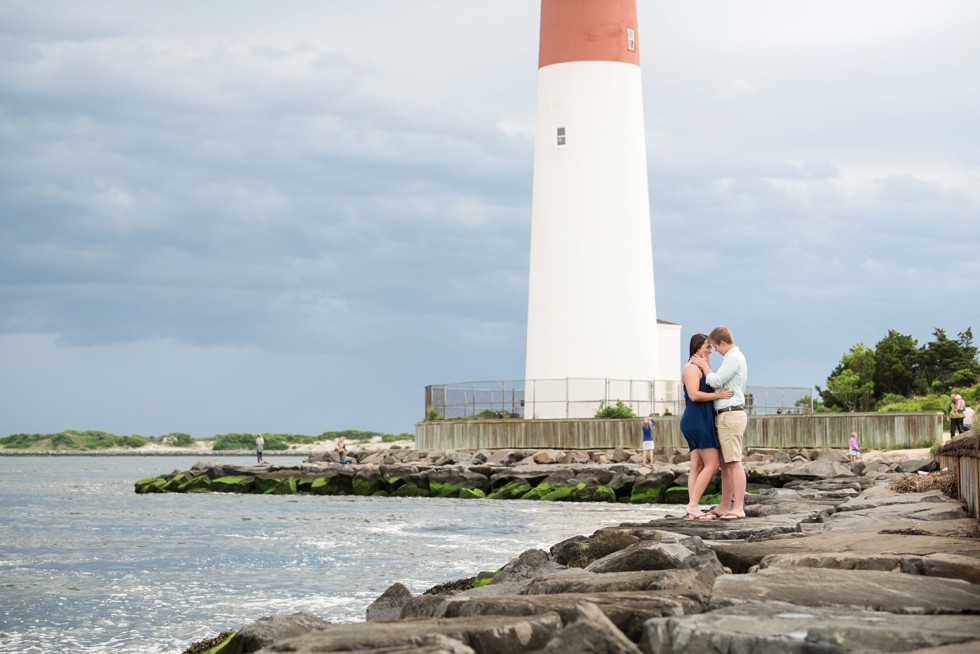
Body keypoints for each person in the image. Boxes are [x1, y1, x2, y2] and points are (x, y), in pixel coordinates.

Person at [694, 325, 748, 521]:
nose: (715, 351)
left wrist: (703, 365)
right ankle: (725, 506)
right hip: (726, 415)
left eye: (715, 347)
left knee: (734, 463)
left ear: (722, 343)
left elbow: (716, 381)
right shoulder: (732, 358)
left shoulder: (733, 358)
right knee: (726, 465)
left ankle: (739, 507)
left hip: (731, 415)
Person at [680, 333, 734, 520]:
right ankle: (693, 506)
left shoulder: (701, 366)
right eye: (707, 347)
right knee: (712, 464)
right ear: (697, 347)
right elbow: (694, 395)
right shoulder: (691, 368)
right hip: (696, 420)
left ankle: (692, 509)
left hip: (699, 419)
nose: (710, 350)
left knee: (697, 465)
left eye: (711, 347)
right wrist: (719, 396)